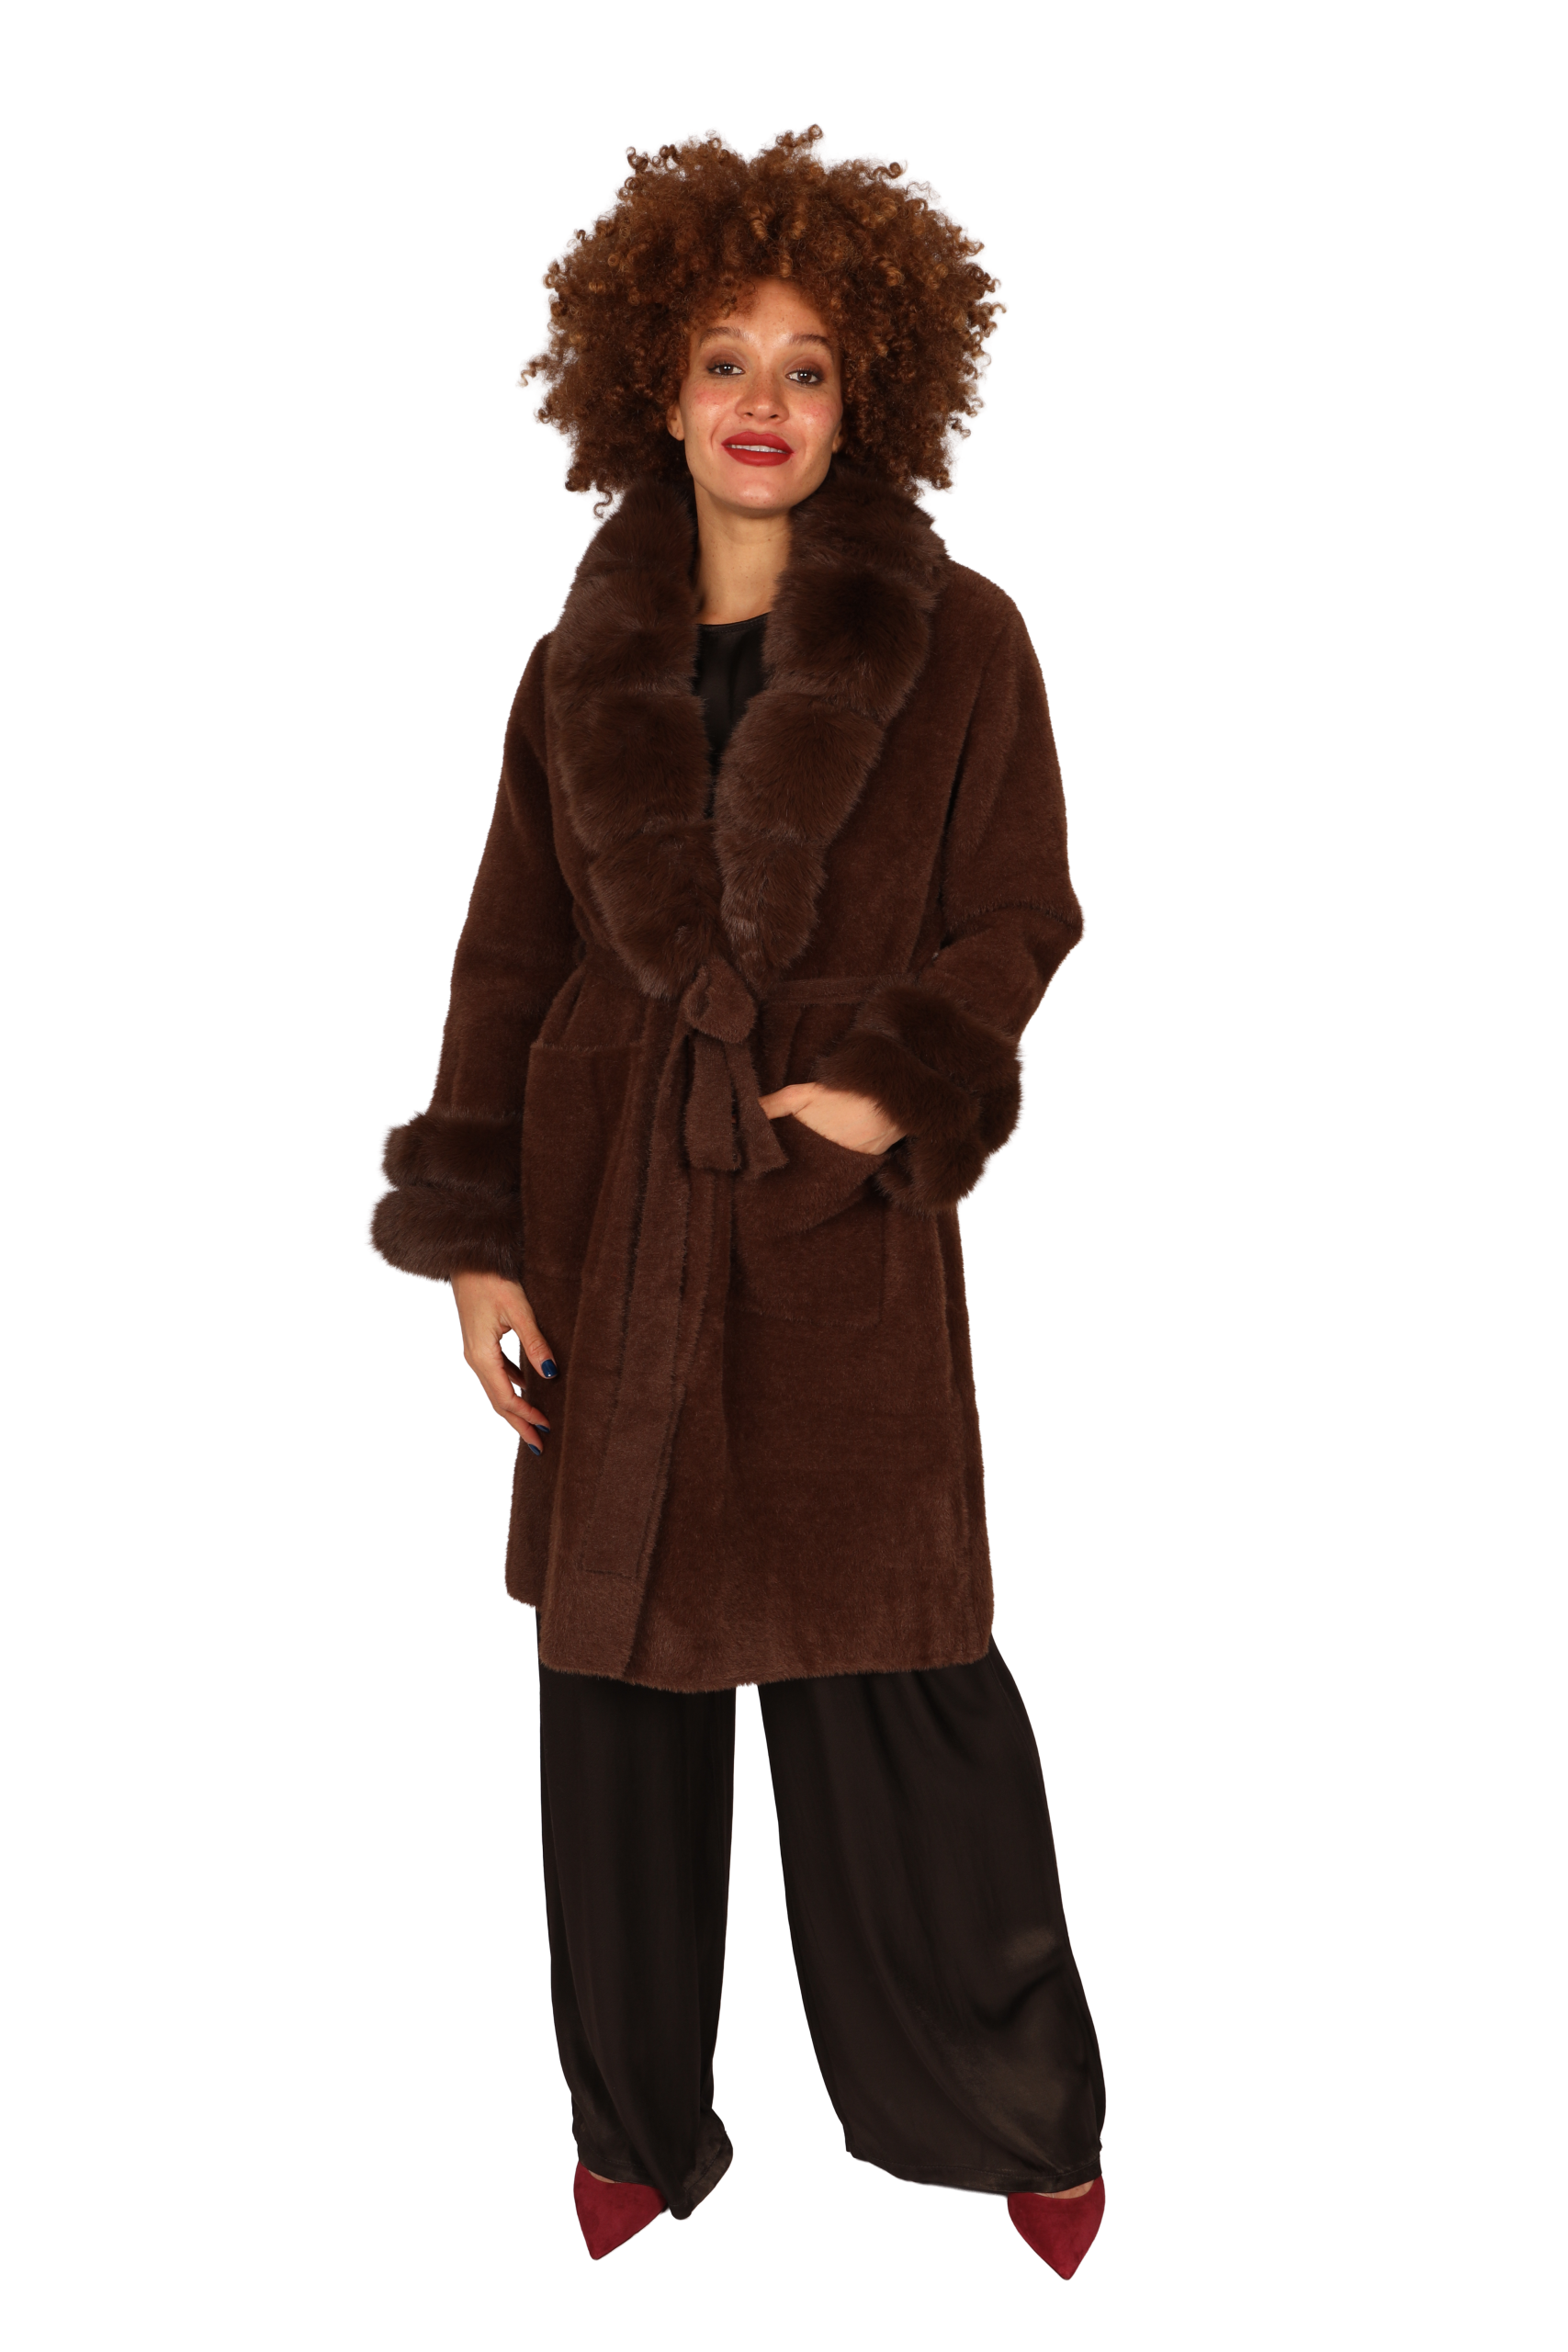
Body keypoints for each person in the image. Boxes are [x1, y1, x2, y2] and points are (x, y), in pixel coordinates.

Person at [372, 128, 1106, 2277]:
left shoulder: (957, 641)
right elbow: (507, 957)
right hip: (608, 1207)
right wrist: (477, 1233)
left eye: (804, 362)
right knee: (620, 1686)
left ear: (870, 390)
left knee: (899, 1669)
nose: (760, 400)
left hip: (826, 1223)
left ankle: (1007, 2108)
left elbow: (1014, 912)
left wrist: (877, 1095)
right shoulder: (569, 668)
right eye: (721, 359)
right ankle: (634, 2116)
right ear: (653, 387)